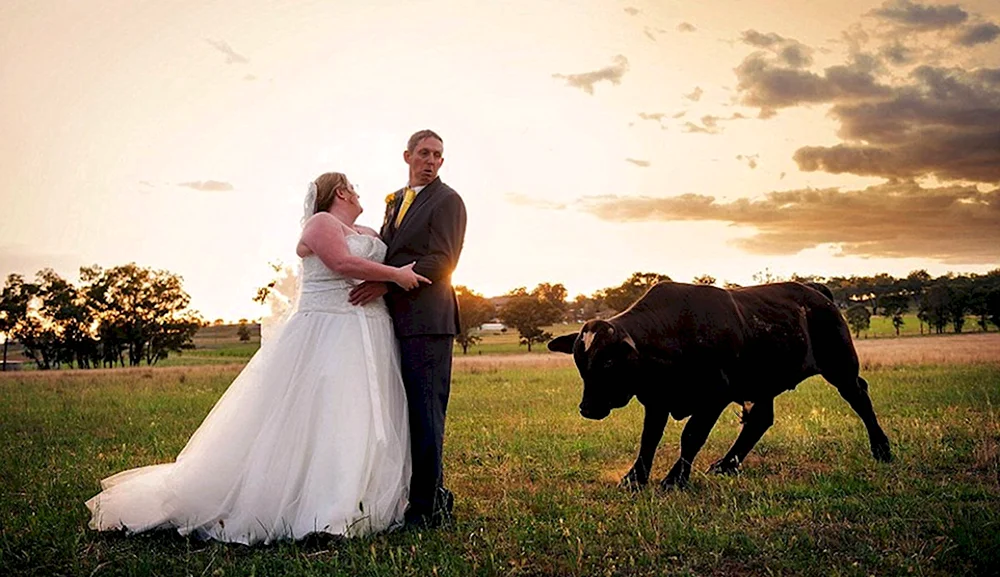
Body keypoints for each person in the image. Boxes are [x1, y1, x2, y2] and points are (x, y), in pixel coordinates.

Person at [85, 172, 428, 544]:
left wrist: (388, 278)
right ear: (341, 191)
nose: (360, 193)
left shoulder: (370, 233)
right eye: (354, 188)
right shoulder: (321, 223)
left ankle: (361, 499)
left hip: (371, 333)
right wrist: (394, 274)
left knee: (358, 414)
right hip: (328, 331)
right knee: (325, 412)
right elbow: (341, 264)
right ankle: (322, 508)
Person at [349, 130, 467, 528]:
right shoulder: (396, 201)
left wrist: (387, 282)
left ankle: (427, 508)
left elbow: (442, 260)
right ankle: (423, 495)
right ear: (407, 156)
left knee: (426, 414)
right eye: (423, 153)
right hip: (394, 319)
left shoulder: (448, 201)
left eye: (437, 155)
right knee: (402, 412)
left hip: (428, 322)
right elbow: (390, 248)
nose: (430, 161)